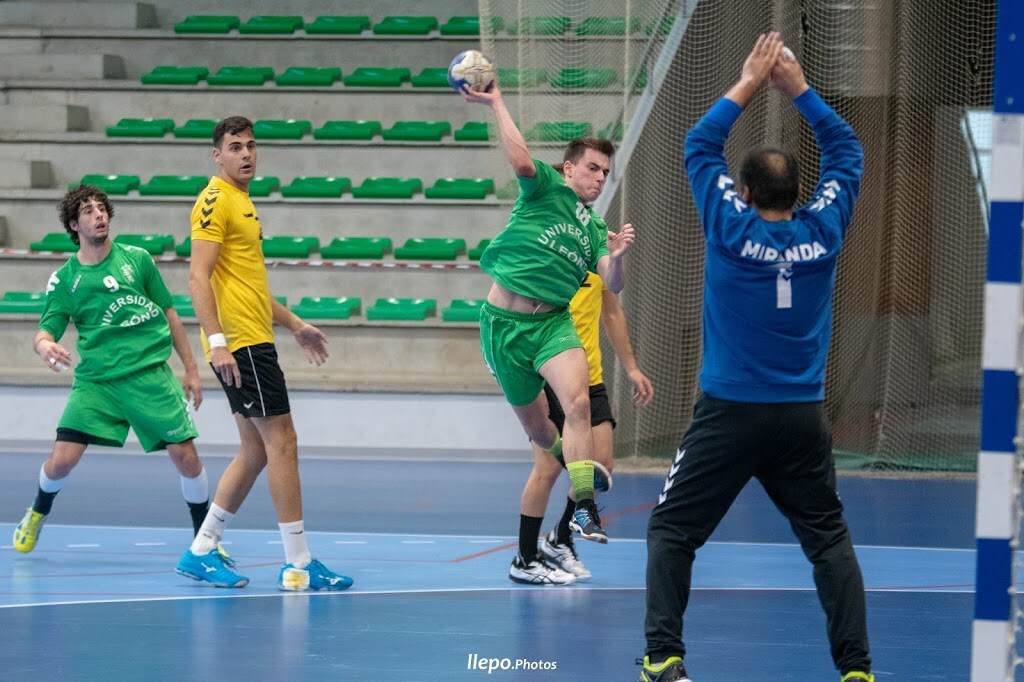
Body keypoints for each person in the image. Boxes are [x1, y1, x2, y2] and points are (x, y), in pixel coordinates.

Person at [639, 34, 872, 682]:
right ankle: (857, 671)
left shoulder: (730, 228)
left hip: (730, 413)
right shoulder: (823, 231)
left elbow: (697, 145)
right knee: (828, 542)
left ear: (740, 192)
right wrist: (796, 88)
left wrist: (747, 82)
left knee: (671, 532)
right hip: (800, 417)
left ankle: (663, 659)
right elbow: (848, 153)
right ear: (799, 193)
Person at [174, 116, 352, 592]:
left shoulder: (242, 202)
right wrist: (216, 342)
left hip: (252, 339)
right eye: (235, 147)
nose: (247, 154)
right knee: (282, 443)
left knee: (255, 450)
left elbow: (249, 285)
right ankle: (298, 562)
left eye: (251, 146)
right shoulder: (215, 200)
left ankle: (201, 550)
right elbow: (197, 277)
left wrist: (295, 324)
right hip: (241, 345)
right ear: (218, 155)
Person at [460, 82, 636, 548]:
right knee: (541, 431)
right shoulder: (544, 189)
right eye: (592, 168)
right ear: (569, 168)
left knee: (578, 405)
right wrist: (496, 102)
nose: (600, 178)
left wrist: (616, 256)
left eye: (605, 171)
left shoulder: (598, 228)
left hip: (552, 324)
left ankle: (583, 509)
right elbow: (519, 159)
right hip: (503, 325)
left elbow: (611, 282)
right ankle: (572, 482)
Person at [12, 185, 216, 555]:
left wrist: (191, 368)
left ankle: (205, 540)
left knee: (187, 459)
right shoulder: (65, 280)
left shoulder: (137, 260)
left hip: (149, 375)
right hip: (97, 383)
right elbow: (48, 327)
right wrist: (44, 345)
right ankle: (38, 511)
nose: (99, 215)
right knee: (60, 463)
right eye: (88, 211)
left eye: (101, 208)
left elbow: (170, 312)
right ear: (74, 224)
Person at [510, 271, 653, 584]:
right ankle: (524, 558)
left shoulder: (596, 254)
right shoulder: (546, 259)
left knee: (600, 466)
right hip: (547, 373)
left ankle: (560, 539)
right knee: (548, 467)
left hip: (589, 377)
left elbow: (612, 311)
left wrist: (631, 368)